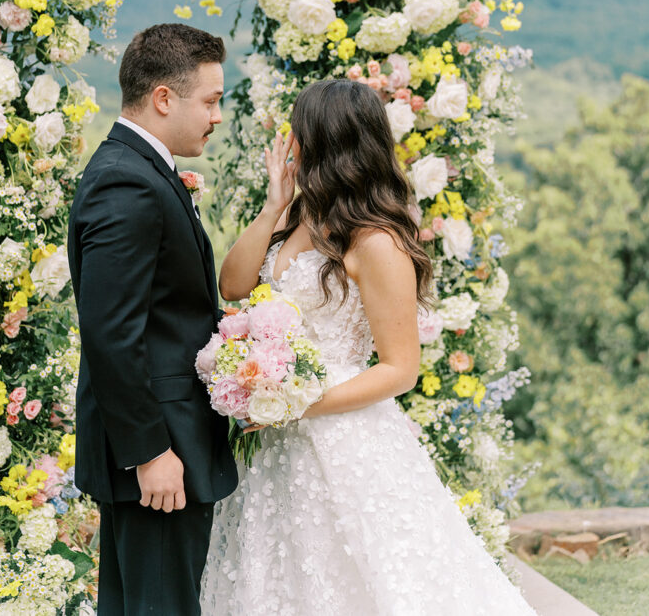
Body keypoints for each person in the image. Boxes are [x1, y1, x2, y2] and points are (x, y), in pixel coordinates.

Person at [200, 77, 536, 615]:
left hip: (344, 435)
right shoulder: (296, 217)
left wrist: (299, 403)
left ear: (325, 143)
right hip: (279, 440)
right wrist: (272, 206)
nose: (290, 141)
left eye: (298, 130)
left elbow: (401, 368)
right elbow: (234, 286)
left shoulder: (377, 242)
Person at [68, 23, 237, 616]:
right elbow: (112, 331)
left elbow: (165, 311)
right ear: (165, 97)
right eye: (212, 100)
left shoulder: (143, 168)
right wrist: (149, 453)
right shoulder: (127, 181)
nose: (218, 116)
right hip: (158, 455)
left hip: (159, 443)